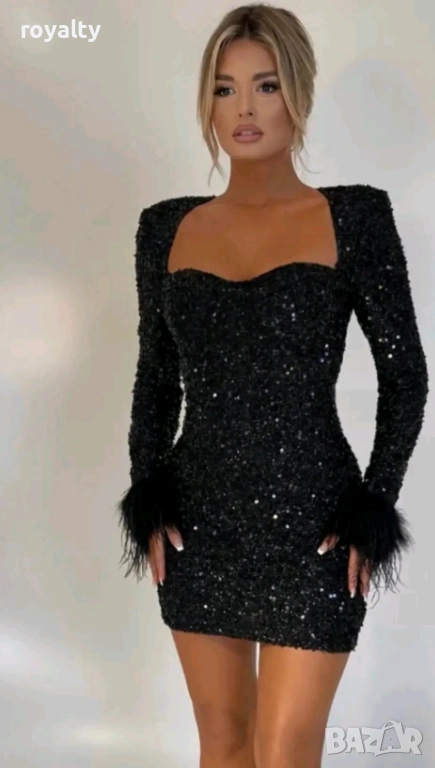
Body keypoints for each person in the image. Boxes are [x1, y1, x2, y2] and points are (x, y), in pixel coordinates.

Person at [117, 4, 429, 767]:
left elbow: (404, 375)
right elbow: (156, 378)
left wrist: (371, 505)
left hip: (315, 520)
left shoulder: (353, 216)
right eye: (224, 89)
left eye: (266, 85)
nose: (244, 109)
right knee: (223, 744)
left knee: (285, 749)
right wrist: (148, 496)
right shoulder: (165, 227)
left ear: (299, 93)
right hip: (198, 521)